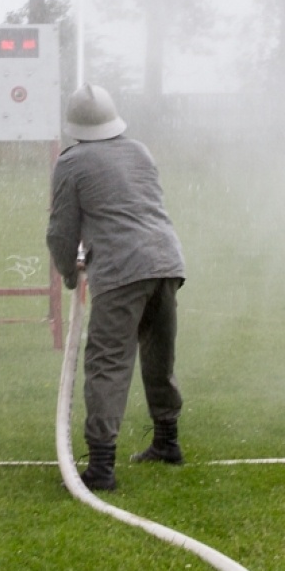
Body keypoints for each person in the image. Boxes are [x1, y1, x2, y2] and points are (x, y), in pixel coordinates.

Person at [47, 83, 187, 492]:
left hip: (122, 270)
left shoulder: (71, 162)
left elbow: (60, 231)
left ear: (74, 125)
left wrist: (70, 274)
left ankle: (102, 467)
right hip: (166, 261)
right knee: (159, 354)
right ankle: (167, 441)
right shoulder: (140, 151)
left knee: (108, 362)